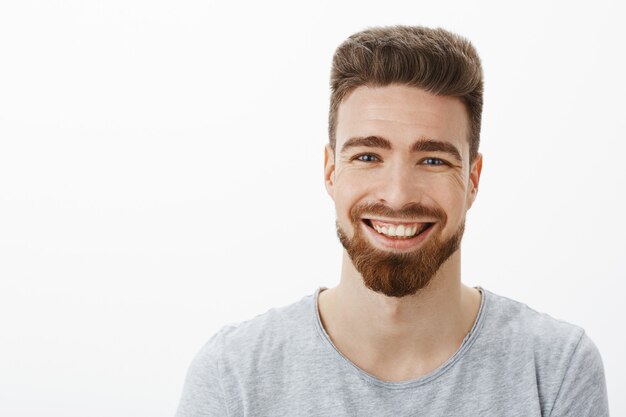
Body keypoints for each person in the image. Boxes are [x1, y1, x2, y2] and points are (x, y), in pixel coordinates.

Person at [175, 25, 609, 416]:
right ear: (331, 171)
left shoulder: (555, 371)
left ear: (473, 180)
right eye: (368, 156)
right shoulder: (233, 377)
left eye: (433, 159)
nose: (398, 194)